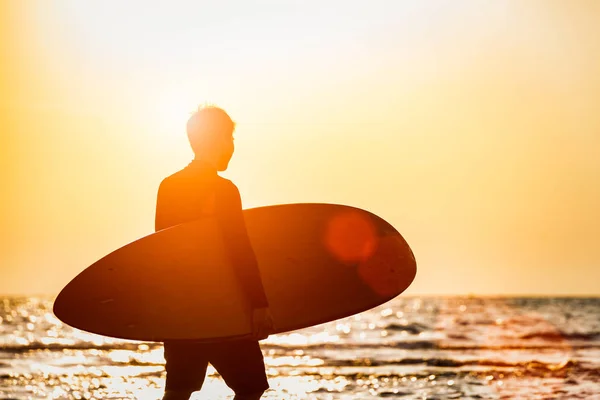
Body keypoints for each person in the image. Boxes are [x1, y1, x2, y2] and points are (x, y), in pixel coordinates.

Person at [155, 106, 273, 400]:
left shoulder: (168, 187)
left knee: (178, 391)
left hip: (182, 310)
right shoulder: (224, 190)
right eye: (230, 138)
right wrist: (259, 304)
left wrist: (165, 311)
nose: (232, 147)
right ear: (219, 139)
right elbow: (239, 249)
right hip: (223, 307)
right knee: (250, 387)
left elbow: (160, 252)